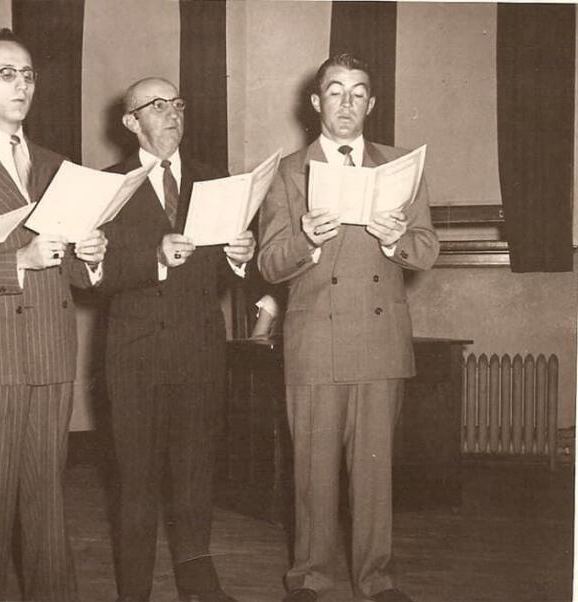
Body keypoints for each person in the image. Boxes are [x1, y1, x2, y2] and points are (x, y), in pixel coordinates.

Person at [257, 53, 440, 602]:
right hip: (315, 342)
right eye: (335, 92)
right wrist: (306, 238)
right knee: (312, 472)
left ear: (371, 104)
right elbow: (268, 263)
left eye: (358, 93)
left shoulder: (403, 166)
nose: (347, 103)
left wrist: (394, 240)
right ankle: (309, 577)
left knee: (375, 477)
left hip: (380, 342)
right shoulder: (288, 172)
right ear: (315, 103)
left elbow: (426, 250)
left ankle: (376, 580)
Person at [0, 29, 107, 602]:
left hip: (51, 348)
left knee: (48, 504)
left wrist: (90, 256)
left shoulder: (56, 163)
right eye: (6, 74)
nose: (21, 85)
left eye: (28, 74)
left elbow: (72, 268)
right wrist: (19, 259)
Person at [96, 77, 255, 602]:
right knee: (137, 489)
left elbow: (223, 277)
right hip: (135, 359)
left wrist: (238, 255)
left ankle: (198, 589)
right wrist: (154, 261)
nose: (171, 114)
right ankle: (134, 593)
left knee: (194, 484)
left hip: (199, 354)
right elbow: (91, 272)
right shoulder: (106, 185)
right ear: (130, 122)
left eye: (178, 104)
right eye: (156, 106)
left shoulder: (216, 181)